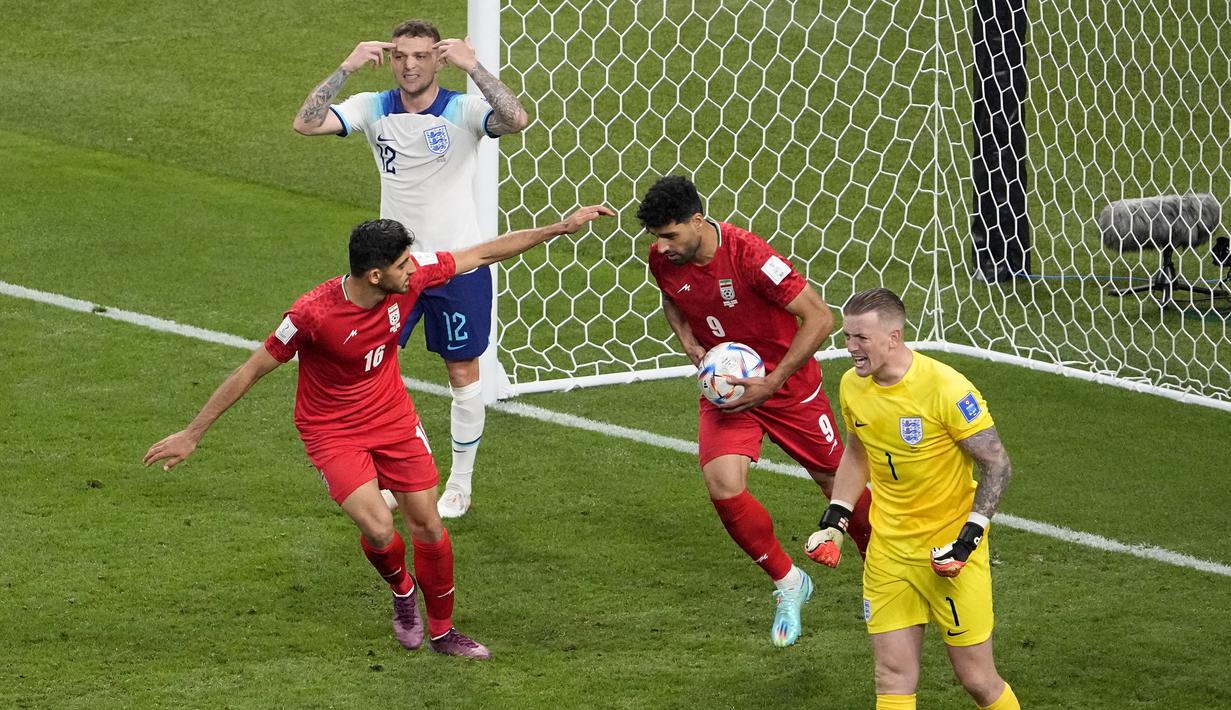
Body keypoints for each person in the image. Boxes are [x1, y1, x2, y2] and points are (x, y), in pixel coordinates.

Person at [143, 206, 613, 660]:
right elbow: (251, 369)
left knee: (427, 525)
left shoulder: (411, 278)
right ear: (374, 275)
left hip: (392, 418)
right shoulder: (312, 315)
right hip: (331, 431)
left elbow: (482, 254)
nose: (413, 271)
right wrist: (194, 432)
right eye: (403, 264)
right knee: (378, 526)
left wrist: (561, 227)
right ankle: (402, 591)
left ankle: (444, 631)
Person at [292, 19, 531, 519]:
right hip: (393, 270)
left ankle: (460, 483)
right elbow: (307, 123)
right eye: (400, 55)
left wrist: (475, 66)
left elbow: (515, 120)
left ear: (438, 59)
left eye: (421, 55)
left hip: (455, 265)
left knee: (462, 371)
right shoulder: (372, 106)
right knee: (368, 369)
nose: (409, 65)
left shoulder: (462, 110)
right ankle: (379, 474)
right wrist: (345, 67)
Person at [637, 175, 873, 648]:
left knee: (836, 484)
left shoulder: (749, 257)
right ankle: (789, 583)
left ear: (697, 221)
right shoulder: (664, 261)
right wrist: (686, 339)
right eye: (657, 238)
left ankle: (884, 579)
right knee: (723, 485)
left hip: (786, 387)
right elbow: (673, 298)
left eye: (670, 236)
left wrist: (775, 379)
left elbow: (821, 317)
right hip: (728, 390)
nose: (662, 248)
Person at [804, 287, 1020, 709]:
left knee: (976, 678)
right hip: (889, 553)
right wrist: (835, 520)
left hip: (950, 553)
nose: (850, 348)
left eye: (860, 338)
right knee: (891, 677)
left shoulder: (947, 389)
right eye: (846, 337)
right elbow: (857, 449)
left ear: (894, 337)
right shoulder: (853, 385)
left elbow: (997, 465)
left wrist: (968, 539)